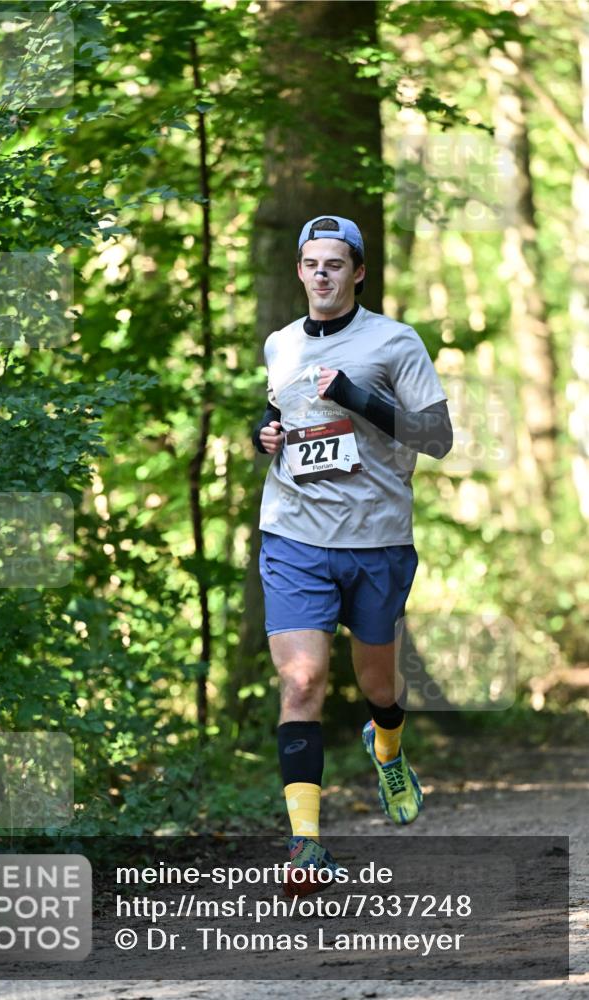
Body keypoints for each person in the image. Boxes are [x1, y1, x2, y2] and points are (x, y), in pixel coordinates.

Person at [252, 215, 453, 896]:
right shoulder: (278, 344)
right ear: (299, 270)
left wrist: (356, 396)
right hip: (292, 534)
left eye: (335, 264)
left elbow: (437, 436)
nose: (321, 275)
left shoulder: (395, 342)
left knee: (377, 688)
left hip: (375, 540)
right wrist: (266, 434)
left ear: (358, 271)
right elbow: (279, 414)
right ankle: (305, 846)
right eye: (311, 263)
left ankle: (386, 743)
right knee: (302, 682)